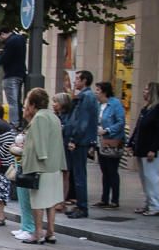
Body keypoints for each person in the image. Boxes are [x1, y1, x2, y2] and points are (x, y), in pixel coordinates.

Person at [20, 88, 66, 244]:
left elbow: (39, 145)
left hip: (41, 167)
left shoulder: (39, 118)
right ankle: (50, 232)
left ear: (33, 104)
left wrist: (26, 151)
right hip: (55, 166)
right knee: (51, 201)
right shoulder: (54, 117)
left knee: (38, 202)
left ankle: (38, 233)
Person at [128, 82, 159, 216]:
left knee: (151, 178)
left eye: (146, 90)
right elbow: (138, 128)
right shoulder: (146, 109)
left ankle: (156, 206)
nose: (144, 92)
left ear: (153, 93)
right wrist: (131, 143)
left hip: (152, 151)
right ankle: (148, 203)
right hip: (142, 148)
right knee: (144, 178)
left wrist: (153, 149)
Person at [64, 70, 98, 218]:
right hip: (80, 140)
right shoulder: (84, 96)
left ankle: (82, 207)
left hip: (80, 142)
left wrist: (74, 139)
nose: (75, 81)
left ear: (84, 81)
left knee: (79, 175)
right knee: (78, 174)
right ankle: (80, 205)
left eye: (77, 79)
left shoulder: (86, 97)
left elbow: (82, 121)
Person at [94, 81, 125, 209]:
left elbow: (120, 122)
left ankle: (115, 200)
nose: (95, 92)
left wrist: (107, 130)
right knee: (104, 171)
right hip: (100, 141)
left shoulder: (115, 104)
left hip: (112, 141)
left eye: (97, 90)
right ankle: (104, 198)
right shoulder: (98, 105)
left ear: (104, 92)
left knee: (112, 170)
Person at [0, 27, 26, 127]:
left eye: (0, 38)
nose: (1, 40)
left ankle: (14, 123)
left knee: (12, 102)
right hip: (20, 73)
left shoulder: (10, 42)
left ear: (2, 33)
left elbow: (6, 58)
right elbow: (13, 55)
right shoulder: (20, 39)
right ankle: (19, 121)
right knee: (17, 100)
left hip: (11, 74)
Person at [8, 128, 36, 241]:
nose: (24, 110)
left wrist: (17, 148)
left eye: (26, 108)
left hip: (27, 166)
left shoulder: (36, 125)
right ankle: (25, 226)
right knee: (22, 198)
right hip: (21, 164)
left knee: (27, 199)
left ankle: (29, 228)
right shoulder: (29, 127)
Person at [52, 92, 75, 211]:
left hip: (65, 148)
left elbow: (68, 131)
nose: (53, 104)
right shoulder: (57, 116)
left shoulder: (68, 118)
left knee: (64, 174)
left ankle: (62, 201)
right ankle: (58, 200)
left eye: (56, 102)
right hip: (58, 148)